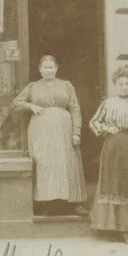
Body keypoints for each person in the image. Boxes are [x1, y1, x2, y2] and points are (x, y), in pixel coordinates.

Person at [11, 55, 88, 216]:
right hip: (41, 131)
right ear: (40, 69)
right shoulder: (32, 86)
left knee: (67, 162)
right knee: (46, 164)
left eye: (51, 67)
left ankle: (73, 203)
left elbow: (75, 108)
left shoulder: (66, 85)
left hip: (64, 130)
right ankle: (49, 204)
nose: (48, 70)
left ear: (56, 68)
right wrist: (30, 105)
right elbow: (15, 104)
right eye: (44, 67)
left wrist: (76, 132)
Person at [89, 67, 128, 244]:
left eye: (127, 83)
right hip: (112, 147)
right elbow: (93, 122)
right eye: (120, 84)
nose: (124, 87)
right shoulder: (108, 103)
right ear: (115, 85)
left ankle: (127, 229)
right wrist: (107, 128)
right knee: (111, 182)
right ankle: (108, 227)